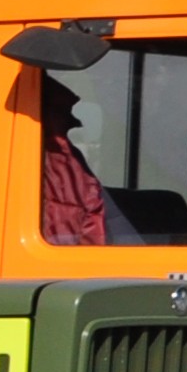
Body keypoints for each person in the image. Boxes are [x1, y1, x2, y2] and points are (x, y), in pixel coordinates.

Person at [36, 77, 128, 246]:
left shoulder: (64, 158)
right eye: (62, 113)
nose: (74, 121)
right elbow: (66, 233)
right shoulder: (57, 161)